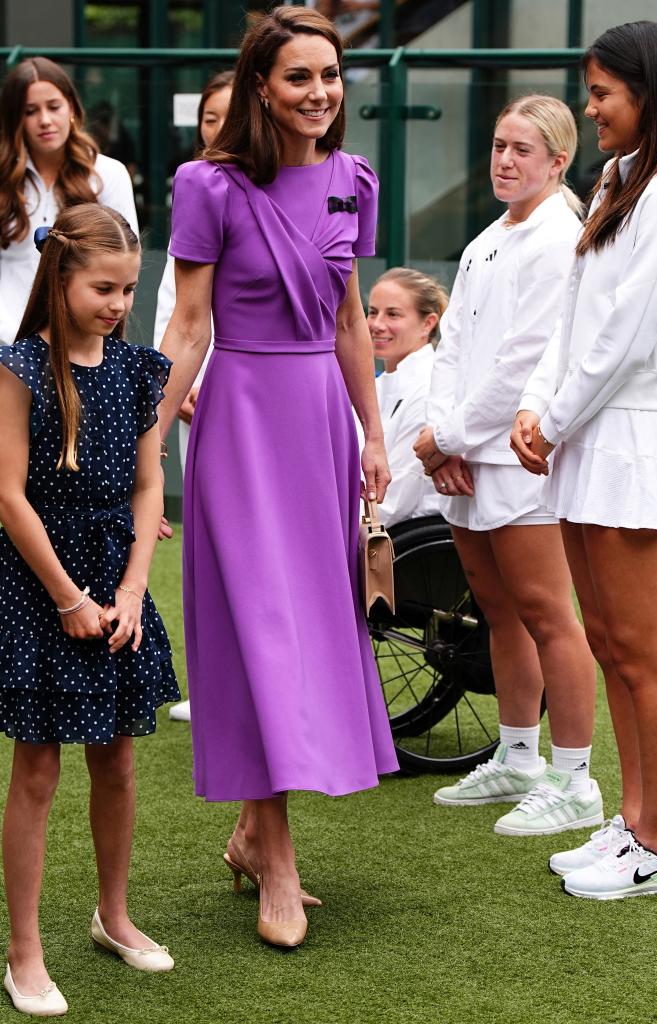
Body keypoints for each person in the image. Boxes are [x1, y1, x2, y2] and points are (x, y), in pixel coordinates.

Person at [157, 5, 397, 949]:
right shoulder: (204, 185)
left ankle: (255, 833)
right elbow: (187, 324)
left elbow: (346, 323)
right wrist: (141, 435)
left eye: (330, 77)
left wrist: (371, 430)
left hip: (320, 429)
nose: (319, 94)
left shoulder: (352, 179)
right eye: (299, 77)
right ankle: (281, 864)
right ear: (261, 84)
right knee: (259, 630)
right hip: (241, 421)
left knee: (306, 632)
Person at [511, 22, 657, 899]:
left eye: (602, 93)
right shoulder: (613, 181)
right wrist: (537, 409)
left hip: (630, 439)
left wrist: (557, 416)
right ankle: (630, 821)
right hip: (583, 436)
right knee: (612, 644)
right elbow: (572, 321)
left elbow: (624, 334)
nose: (590, 107)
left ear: (644, 96)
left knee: (646, 652)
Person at [0, 204, 179, 1016]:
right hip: (42, 584)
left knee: (118, 756)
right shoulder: (20, 368)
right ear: (61, 279)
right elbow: (7, 494)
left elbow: (149, 488)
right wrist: (68, 597)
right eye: (103, 287)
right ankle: (24, 949)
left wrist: (133, 588)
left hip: (117, 578)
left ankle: (114, 916)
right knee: (37, 766)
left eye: (129, 289)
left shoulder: (142, 368)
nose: (118, 303)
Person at [414, 95, 600, 839]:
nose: (503, 160)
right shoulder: (486, 238)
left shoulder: (560, 238)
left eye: (521, 150)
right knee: (496, 612)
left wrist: (449, 437)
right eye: (497, 145)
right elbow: (452, 345)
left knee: (548, 615)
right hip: (465, 460)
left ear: (557, 162)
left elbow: (526, 359)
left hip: (519, 461)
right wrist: (442, 440)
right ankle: (518, 757)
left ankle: (575, 779)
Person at [153, 70, 234, 724]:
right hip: (188, 394)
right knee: (205, 547)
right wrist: (170, 400)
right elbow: (178, 315)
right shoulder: (194, 188)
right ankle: (212, 687)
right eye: (209, 118)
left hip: (238, 394)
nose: (219, 130)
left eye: (229, 116)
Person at [0, 57, 138, 347]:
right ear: (15, 119)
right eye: (30, 111)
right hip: (5, 343)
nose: (45, 120)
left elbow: (124, 269)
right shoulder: (4, 178)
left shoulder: (108, 174)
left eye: (54, 106)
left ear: (72, 108)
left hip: (82, 346)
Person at [365, 267, 447, 527]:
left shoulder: (428, 389)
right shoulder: (378, 386)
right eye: (372, 312)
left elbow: (393, 501)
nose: (377, 325)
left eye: (393, 314)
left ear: (428, 323)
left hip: (406, 548)